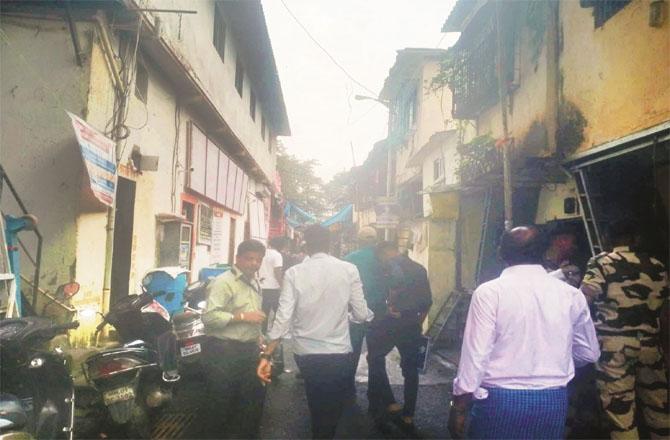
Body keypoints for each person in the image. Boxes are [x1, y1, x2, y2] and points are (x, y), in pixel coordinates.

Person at [448, 225, 600, 439]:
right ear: (545, 251)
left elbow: (475, 356)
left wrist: (459, 406)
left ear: (501, 253)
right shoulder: (571, 295)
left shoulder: (489, 293)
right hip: (553, 401)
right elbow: (589, 353)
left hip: (498, 401)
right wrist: (554, 360)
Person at [258, 225, 373, 439]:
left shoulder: (294, 273)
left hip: (307, 353)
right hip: (339, 352)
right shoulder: (349, 269)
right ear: (329, 244)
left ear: (306, 245)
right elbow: (360, 312)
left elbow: (283, 317)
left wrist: (268, 353)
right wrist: (360, 316)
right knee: (334, 404)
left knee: (316, 401)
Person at [580, 218, 669, 439]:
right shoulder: (656, 265)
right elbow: (665, 310)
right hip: (650, 347)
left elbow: (582, 300)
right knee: (659, 407)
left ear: (605, 238)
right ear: (635, 238)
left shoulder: (601, 262)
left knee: (621, 414)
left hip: (614, 348)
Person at [201, 240, 267, 439]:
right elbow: (209, 317)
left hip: (249, 350)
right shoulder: (223, 282)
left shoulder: (254, 281)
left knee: (250, 404)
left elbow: (255, 317)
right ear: (237, 258)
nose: (254, 263)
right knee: (221, 405)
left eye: (258, 260)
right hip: (223, 351)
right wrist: (242, 317)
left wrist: (260, 340)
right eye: (249, 259)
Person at [367, 241, 432, 434]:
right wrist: (418, 322)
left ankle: (390, 403)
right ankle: (408, 416)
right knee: (410, 370)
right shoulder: (419, 269)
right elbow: (428, 301)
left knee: (375, 358)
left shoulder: (389, 267)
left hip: (390, 323)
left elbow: (390, 293)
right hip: (411, 323)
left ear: (386, 252)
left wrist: (390, 308)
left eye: (381, 256)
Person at [343, 226, 387, 401]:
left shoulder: (349, 259)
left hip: (356, 312)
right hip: (379, 311)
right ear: (376, 240)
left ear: (359, 241)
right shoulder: (383, 259)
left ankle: (348, 389)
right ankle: (376, 391)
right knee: (377, 352)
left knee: (352, 350)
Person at [259, 236, 286, 332]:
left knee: (264, 313)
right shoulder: (277, 255)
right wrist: (283, 285)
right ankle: (277, 332)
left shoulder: (263, 253)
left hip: (263, 286)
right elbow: (277, 271)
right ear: (281, 246)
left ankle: (262, 333)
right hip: (273, 288)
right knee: (280, 312)